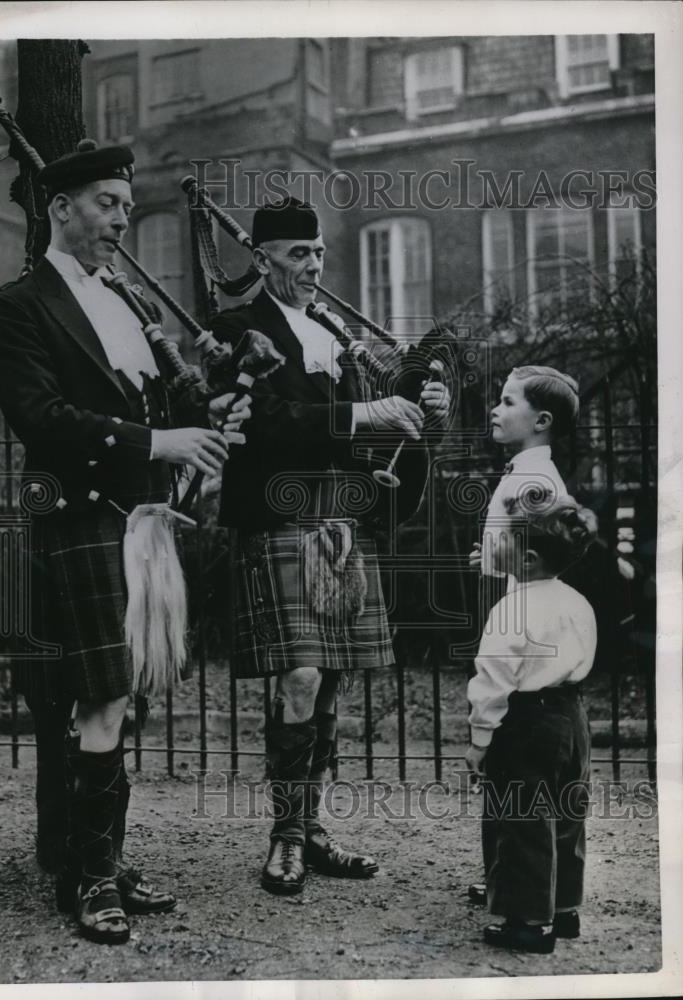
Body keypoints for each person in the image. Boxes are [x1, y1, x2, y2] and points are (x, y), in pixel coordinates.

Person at [0, 140, 250, 945]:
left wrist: (213, 407)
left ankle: (95, 858)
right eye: (106, 204)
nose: (120, 220)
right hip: (79, 516)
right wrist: (157, 442)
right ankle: (90, 880)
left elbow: (169, 401)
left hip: (142, 522)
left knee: (120, 696)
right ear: (60, 209)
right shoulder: (17, 306)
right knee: (98, 696)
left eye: (127, 208)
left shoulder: (130, 306)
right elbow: (42, 420)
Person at [210, 196, 450, 895]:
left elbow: (373, 433)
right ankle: (284, 837)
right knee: (301, 675)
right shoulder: (233, 331)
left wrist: (417, 414)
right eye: (295, 255)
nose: (311, 266)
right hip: (281, 516)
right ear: (261, 260)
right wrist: (362, 410)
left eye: (316, 253)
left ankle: (311, 831)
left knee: (331, 677)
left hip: (343, 519)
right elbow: (264, 422)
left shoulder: (329, 330)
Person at [465, 490, 598, 953]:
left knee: (523, 819)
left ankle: (528, 923)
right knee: (566, 812)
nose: (492, 543)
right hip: (572, 716)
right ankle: (563, 910)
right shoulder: (577, 601)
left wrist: (480, 738)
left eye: (501, 539)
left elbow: (493, 679)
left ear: (529, 557)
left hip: (526, 722)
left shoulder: (511, 609)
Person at [466, 364, 580, 907]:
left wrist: (502, 564)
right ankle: (508, 877)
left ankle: (514, 884)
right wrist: (488, 554)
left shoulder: (534, 480)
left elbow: (539, 553)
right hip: (515, 611)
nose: (496, 409)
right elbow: (523, 545)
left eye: (508, 402)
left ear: (540, 420)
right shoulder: (527, 472)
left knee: (513, 775)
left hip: (520, 636)